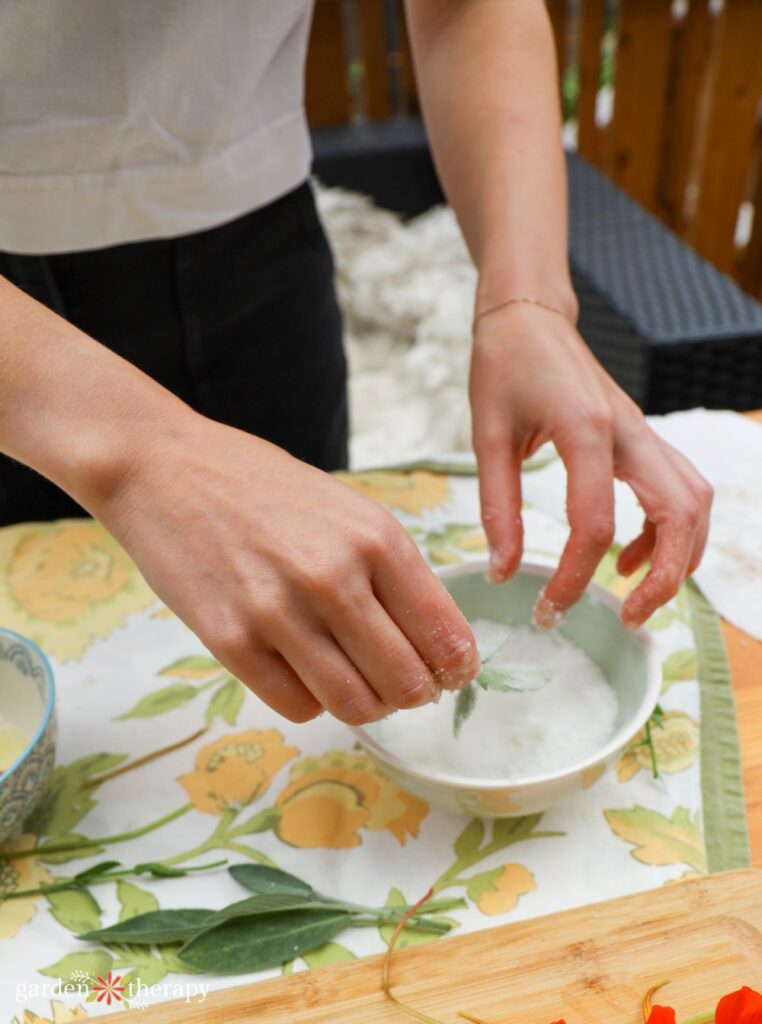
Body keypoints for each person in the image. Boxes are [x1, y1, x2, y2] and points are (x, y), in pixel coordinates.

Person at [0, 1, 712, 726]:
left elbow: (465, 11)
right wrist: (143, 453)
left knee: (314, 668)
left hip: (258, 264)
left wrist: (526, 302)